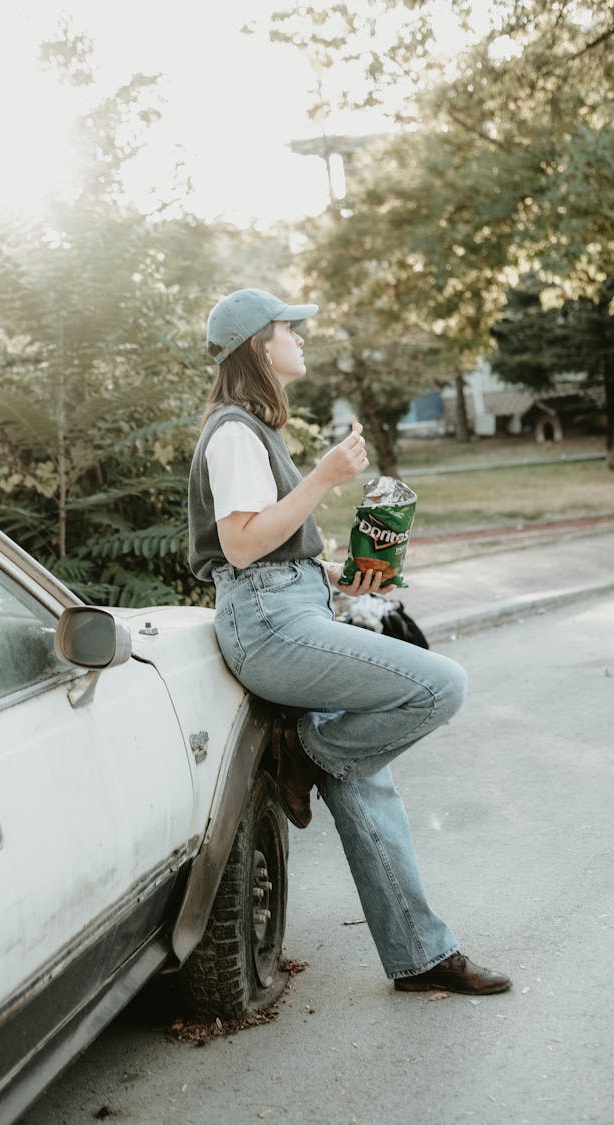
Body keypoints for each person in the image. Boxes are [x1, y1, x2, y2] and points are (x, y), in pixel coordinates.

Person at [187, 287, 511, 996]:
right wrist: (325, 478)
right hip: (268, 626)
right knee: (440, 683)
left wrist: (336, 573)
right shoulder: (234, 430)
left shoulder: (251, 428)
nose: (301, 338)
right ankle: (304, 752)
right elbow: (240, 544)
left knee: (364, 777)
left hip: (289, 608)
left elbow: (266, 548)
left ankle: (422, 954)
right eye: (288, 329)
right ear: (255, 347)